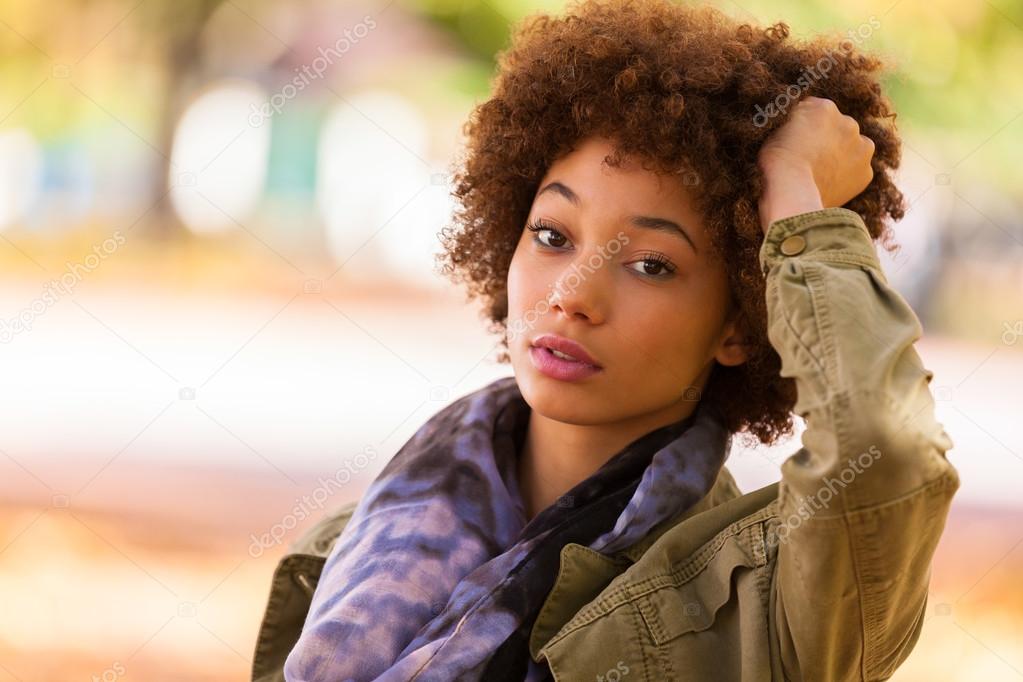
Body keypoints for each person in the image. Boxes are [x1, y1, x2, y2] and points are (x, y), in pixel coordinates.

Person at [252, 1, 959, 680]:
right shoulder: (346, 548)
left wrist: (796, 196)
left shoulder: (772, 596)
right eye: (553, 237)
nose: (573, 293)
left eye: (651, 265)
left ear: (743, 325)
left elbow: (884, 448)